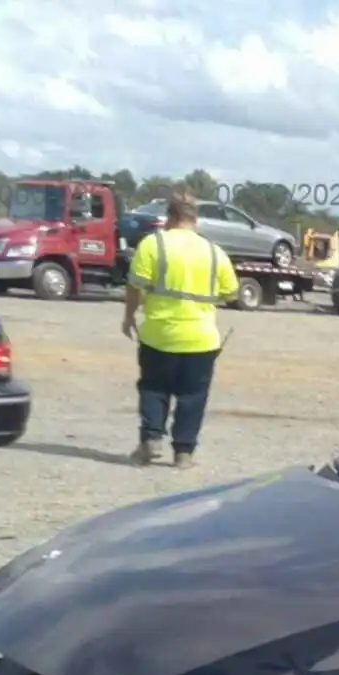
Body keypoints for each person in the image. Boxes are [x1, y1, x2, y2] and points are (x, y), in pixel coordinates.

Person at [121, 189, 238, 468]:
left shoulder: (152, 245)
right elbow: (231, 292)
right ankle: (183, 453)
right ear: (195, 218)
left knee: (153, 388)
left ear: (169, 216)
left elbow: (135, 285)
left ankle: (151, 439)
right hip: (201, 339)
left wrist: (128, 318)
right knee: (193, 397)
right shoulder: (213, 251)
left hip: (159, 334)